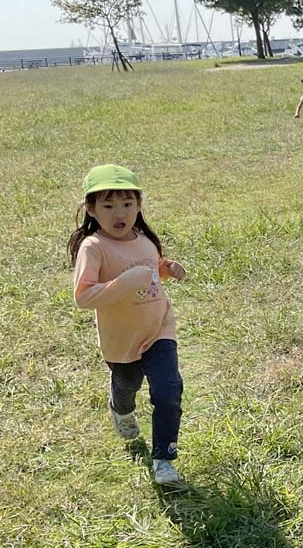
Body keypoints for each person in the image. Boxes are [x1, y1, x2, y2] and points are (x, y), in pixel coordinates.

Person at [68, 164, 188, 485]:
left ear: (138, 205)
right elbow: (83, 297)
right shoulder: (93, 248)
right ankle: (120, 409)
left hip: (159, 328)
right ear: (91, 209)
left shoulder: (144, 239)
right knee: (127, 388)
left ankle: (164, 458)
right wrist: (123, 283)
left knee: (168, 390)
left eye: (127, 204)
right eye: (108, 206)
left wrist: (167, 268)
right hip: (121, 342)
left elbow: (149, 268)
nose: (118, 213)